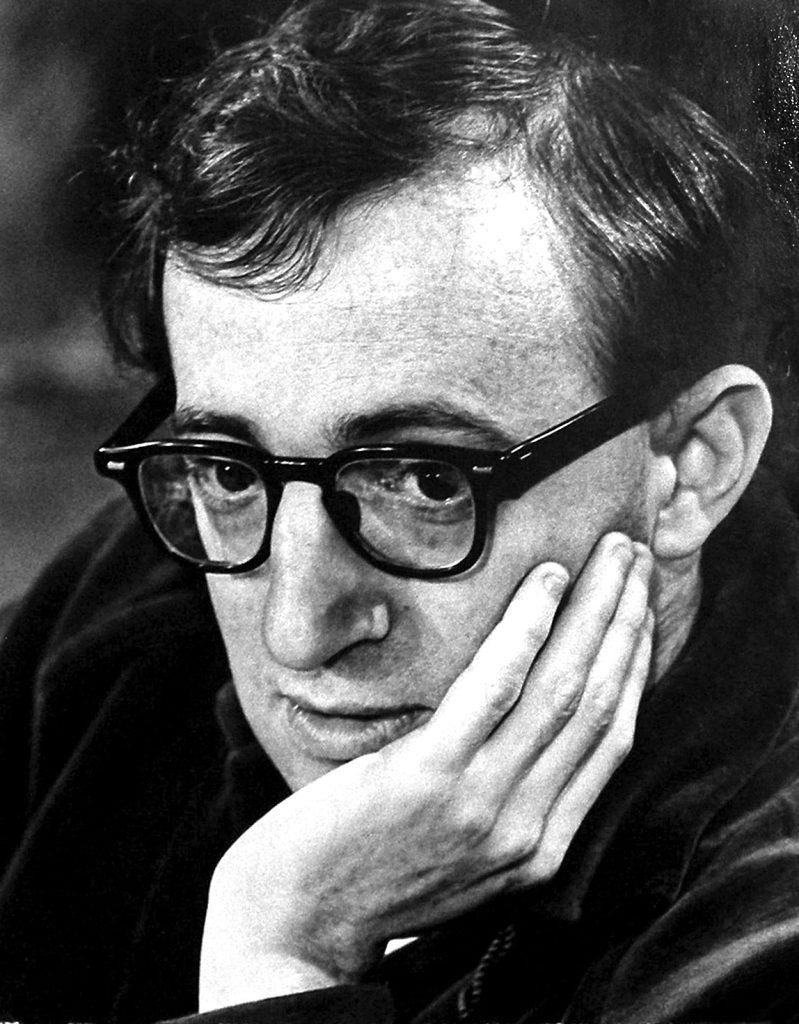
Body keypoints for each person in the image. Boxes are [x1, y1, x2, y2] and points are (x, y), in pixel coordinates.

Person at [2, 0, 799, 1021]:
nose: (297, 629)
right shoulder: (137, 592)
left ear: (691, 462)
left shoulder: (759, 942)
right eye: (230, 469)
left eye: (425, 482)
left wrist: (284, 945)